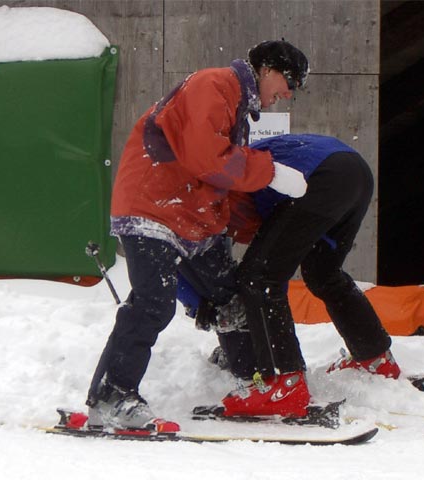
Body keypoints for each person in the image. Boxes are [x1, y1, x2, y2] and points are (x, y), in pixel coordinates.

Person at [86, 40, 310, 430]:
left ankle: (251, 380)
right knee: (154, 303)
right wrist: (270, 171)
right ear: (267, 69)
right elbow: (206, 158)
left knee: (231, 297)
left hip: (190, 216)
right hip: (152, 207)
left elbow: (217, 178)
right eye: (289, 81)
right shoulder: (214, 85)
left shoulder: (237, 105)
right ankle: (112, 395)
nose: (289, 93)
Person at [180, 133, 401, 419]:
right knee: (322, 272)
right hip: (355, 173)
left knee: (257, 276)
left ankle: (285, 384)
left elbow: (265, 271)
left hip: (322, 174)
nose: (238, 235)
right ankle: (375, 358)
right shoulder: (249, 183)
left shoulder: (223, 183)